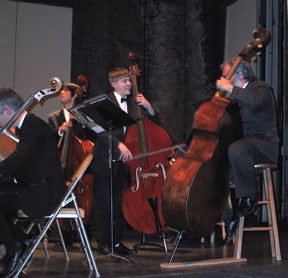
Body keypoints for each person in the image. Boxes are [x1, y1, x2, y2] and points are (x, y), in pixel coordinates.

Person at [91, 67, 159, 256]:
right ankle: (104, 243)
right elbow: (99, 130)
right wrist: (119, 144)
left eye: (129, 80)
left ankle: (117, 241)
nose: (129, 84)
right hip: (105, 159)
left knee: (120, 203)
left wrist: (148, 106)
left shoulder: (133, 105)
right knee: (105, 204)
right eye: (124, 81)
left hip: (127, 164)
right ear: (113, 84)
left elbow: (153, 125)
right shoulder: (104, 103)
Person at [0, 88, 66, 277]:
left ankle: (13, 247)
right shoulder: (27, 127)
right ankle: (20, 241)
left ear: (7, 111)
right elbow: (23, 163)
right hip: (34, 187)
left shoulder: (33, 126)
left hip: (43, 193)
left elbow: (19, 158)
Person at [216, 58, 279, 245]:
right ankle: (230, 221)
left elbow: (256, 104)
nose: (224, 78)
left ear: (240, 74)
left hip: (264, 146)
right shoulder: (236, 99)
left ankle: (249, 196)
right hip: (244, 152)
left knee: (237, 148)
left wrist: (229, 88)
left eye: (228, 75)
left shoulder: (260, 88)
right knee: (215, 176)